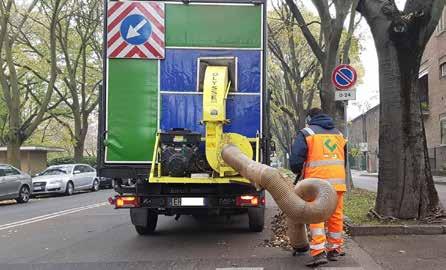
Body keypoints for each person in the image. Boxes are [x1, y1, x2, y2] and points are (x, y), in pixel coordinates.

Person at [289, 108, 347, 267]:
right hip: (338, 182)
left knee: (316, 216)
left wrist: (298, 171)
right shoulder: (339, 134)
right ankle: (335, 248)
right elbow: (344, 158)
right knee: (335, 215)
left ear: (310, 118)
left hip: (317, 184)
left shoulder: (307, 133)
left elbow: (295, 160)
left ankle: (318, 251)